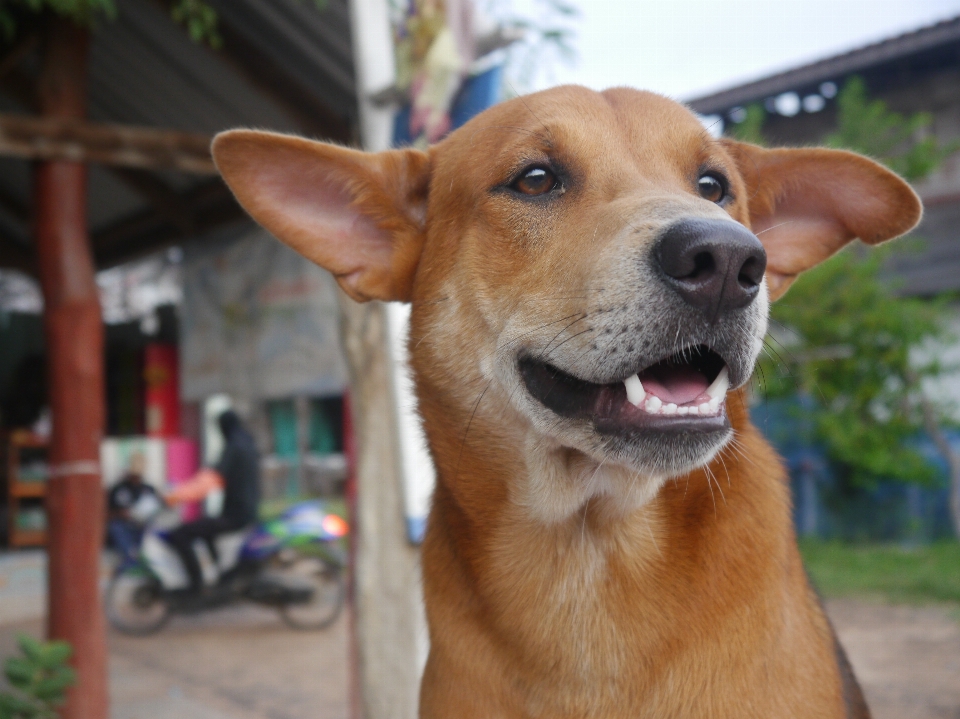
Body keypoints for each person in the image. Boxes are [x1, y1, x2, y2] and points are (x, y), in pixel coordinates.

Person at [165, 410, 261, 597]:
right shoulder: (248, 444)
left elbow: (212, 479)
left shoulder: (234, 447)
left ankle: (196, 586)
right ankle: (217, 576)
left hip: (235, 515)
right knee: (205, 530)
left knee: (182, 534)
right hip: (247, 512)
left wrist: (177, 495)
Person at [107, 452, 161, 561]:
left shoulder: (149, 489)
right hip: (124, 526)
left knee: (152, 529)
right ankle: (130, 558)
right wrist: (122, 514)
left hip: (142, 526)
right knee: (116, 527)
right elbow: (108, 513)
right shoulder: (118, 488)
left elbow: (157, 509)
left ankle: (140, 558)